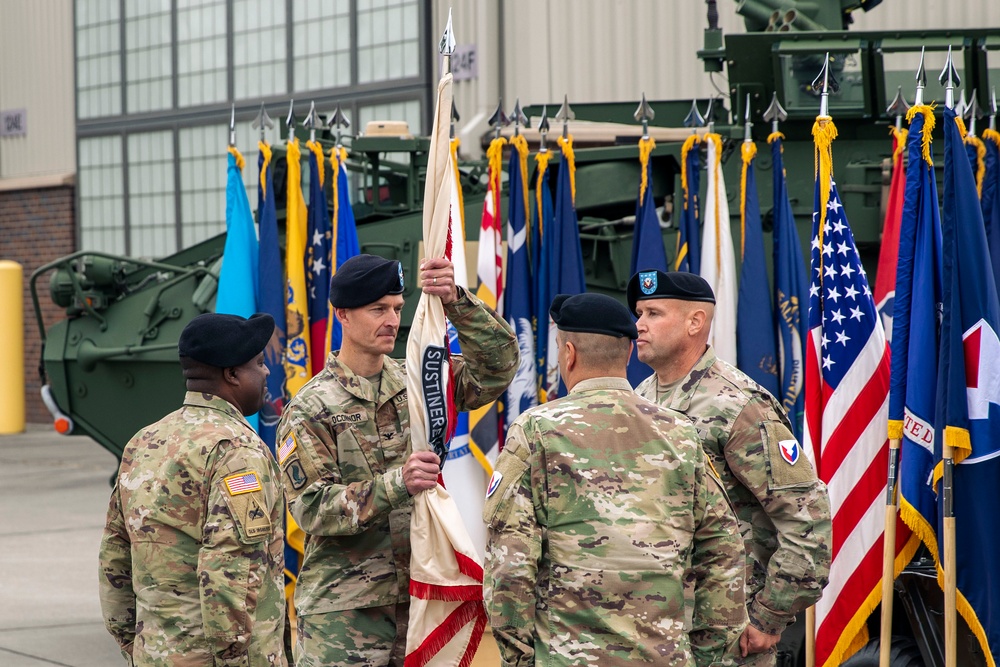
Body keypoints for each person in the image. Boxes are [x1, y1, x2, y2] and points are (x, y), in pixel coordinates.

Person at [275, 253, 518, 666]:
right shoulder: (310, 407)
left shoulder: (420, 383)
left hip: (424, 597)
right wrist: (396, 484)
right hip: (346, 615)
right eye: (378, 310)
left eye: (397, 309)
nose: (391, 320)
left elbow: (499, 367)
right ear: (343, 316)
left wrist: (455, 299)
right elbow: (312, 508)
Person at [484, 292, 748, 667]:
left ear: (569, 353)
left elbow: (510, 567)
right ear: (627, 354)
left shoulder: (536, 431)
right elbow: (723, 554)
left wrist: (520, 660)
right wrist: (705, 655)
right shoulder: (681, 433)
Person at [628, 270, 832, 666]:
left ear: (694, 322)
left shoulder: (736, 405)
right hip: (655, 629)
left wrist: (769, 617)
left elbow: (807, 519)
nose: (639, 325)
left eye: (653, 312)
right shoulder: (640, 398)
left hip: (726, 635)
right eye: (639, 312)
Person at [98, 312, 288, 666]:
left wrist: (135, 644)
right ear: (231, 374)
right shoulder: (237, 450)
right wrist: (236, 659)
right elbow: (229, 565)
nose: (266, 373)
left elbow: (115, 556)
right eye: (259, 363)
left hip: (155, 653)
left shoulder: (144, 441)